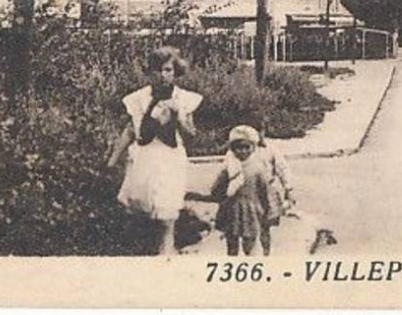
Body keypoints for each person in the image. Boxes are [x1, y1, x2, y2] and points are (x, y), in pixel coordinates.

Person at [108, 47, 203, 255]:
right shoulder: (139, 98)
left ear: (175, 71)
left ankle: (165, 255)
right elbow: (131, 130)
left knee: (167, 210)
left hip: (170, 158)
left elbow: (191, 135)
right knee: (142, 208)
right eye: (158, 70)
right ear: (150, 72)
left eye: (168, 70)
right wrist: (112, 160)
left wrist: (179, 117)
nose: (163, 75)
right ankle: (145, 255)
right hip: (145, 156)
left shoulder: (183, 99)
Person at [210, 125, 280, 257]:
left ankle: (250, 265)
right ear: (232, 149)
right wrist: (220, 194)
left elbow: (266, 191)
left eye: (246, 147)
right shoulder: (229, 167)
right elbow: (217, 187)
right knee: (231, 243)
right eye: (238, 148)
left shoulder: (258, 169)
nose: (242, 151)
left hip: (250, 210)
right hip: (231, 209)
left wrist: (271, 210)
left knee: (250, 243)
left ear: (253, 148)